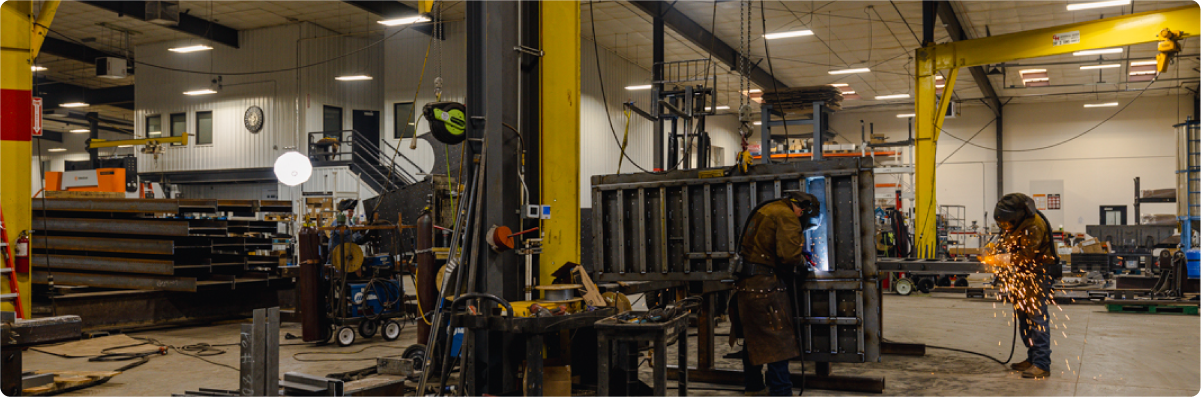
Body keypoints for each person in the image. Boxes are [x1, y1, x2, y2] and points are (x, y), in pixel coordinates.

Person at [734, 191, 820, 397]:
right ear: (802, 208)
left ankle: (753, 387)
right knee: (777, 339)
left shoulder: (766, 209)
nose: (801, 217)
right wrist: (803, 261)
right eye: (803, 214)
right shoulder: (786, 215)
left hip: (747, 285)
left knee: (753, 337)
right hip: (766, 287)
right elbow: (789, 256)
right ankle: (781, 392)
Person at [992, 193, 1061, 379]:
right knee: (1024, 318)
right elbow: (1006, 241)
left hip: (1038, 275)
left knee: (1037, 319)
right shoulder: (1016, 223)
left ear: (1017, 216)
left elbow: (1026, 256)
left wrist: (1001, 259)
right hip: (1024, 275)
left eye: (1007, 223)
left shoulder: (1034, 225)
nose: (1005, 227)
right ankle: (1032, 359)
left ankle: (1042, 364)